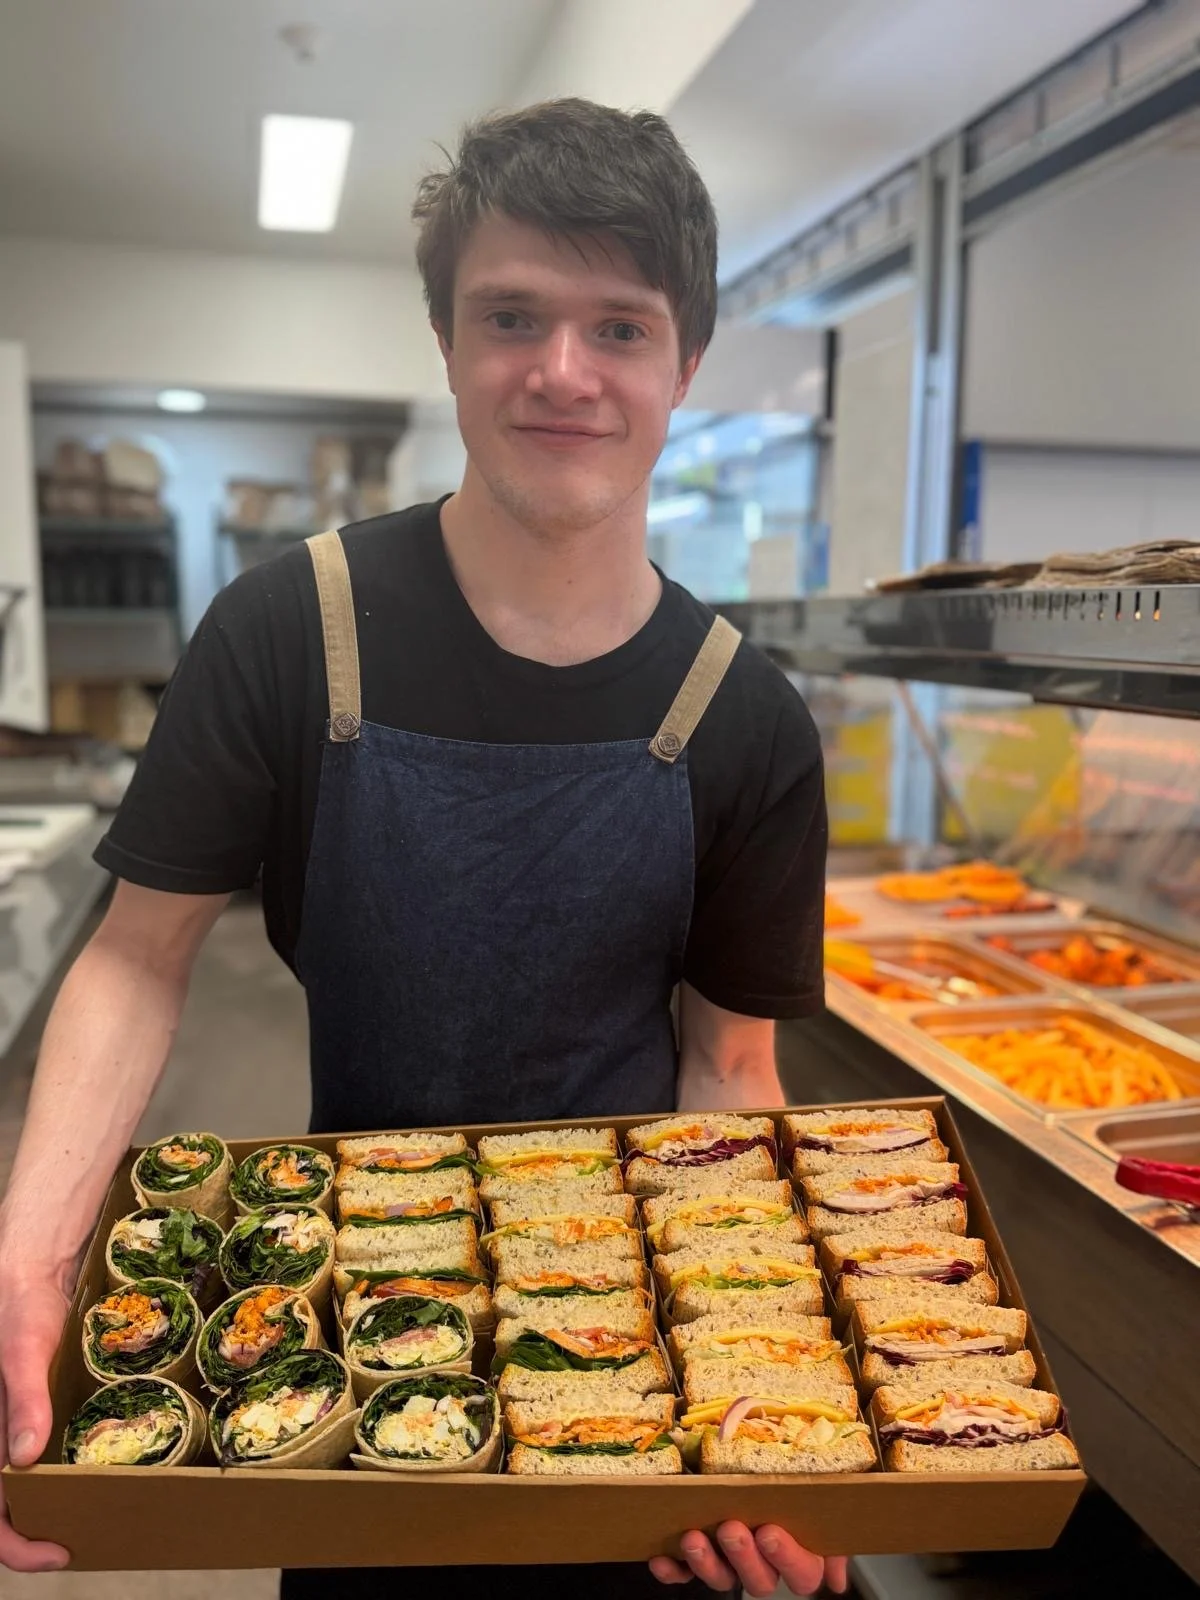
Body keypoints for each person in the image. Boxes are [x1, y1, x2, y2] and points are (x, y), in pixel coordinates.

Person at [0, 100, 841, 1598]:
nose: (563, 372)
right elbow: (133, 963)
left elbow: (731, 1074)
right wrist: (28, 1262)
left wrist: (749, 1392)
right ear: (447, 342)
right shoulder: (287, 628)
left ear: (685, 364)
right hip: (357, 1332)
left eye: (621, 329)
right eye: (512, 315)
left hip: (626, 1359)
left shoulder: (746, 716)